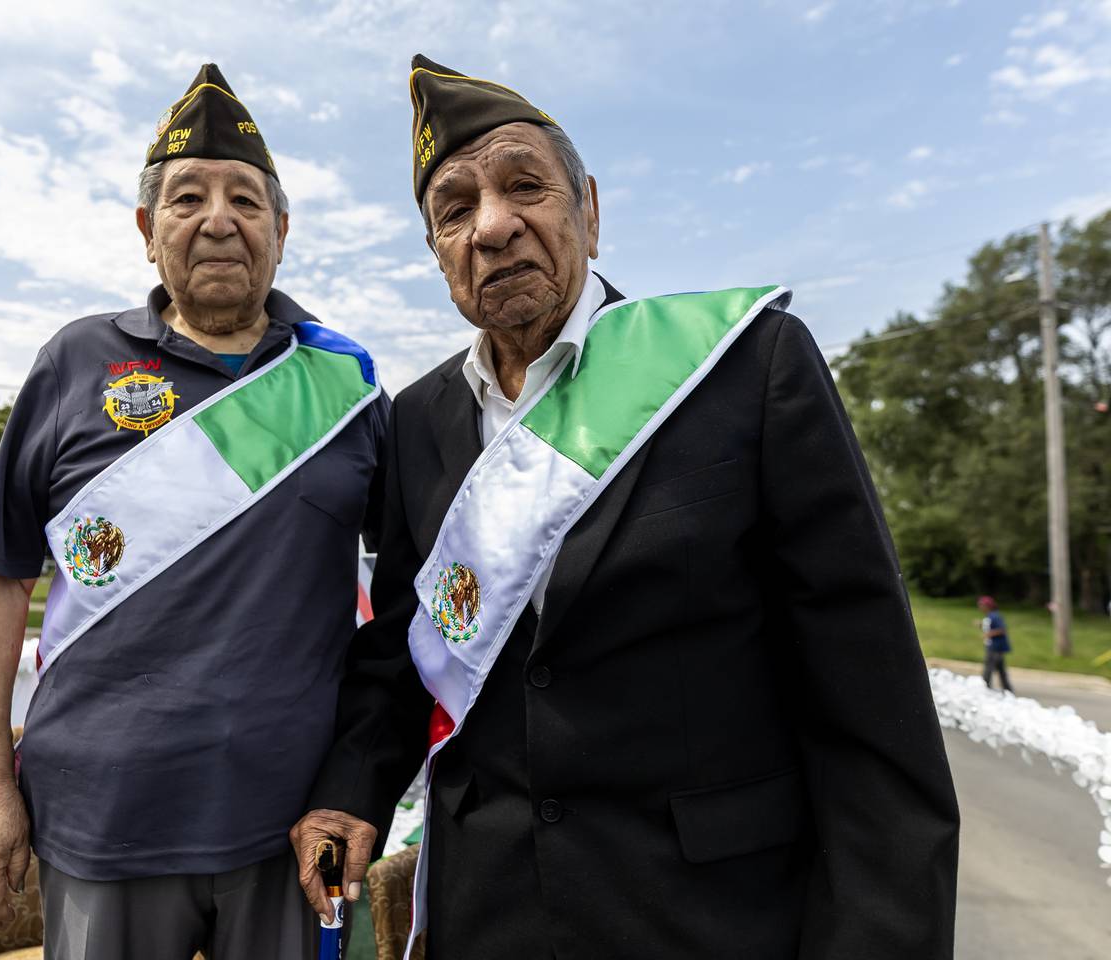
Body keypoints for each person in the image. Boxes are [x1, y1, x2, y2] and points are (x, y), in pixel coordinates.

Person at [291, 55, 960, 959]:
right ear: (439, 253)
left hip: (713, 919)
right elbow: (403, 651)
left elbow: (868, 708)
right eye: (455, 209)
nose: (493, 225)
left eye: (524, 184)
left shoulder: (745, 368)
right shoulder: (415, 425)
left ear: (591, 212)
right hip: (486, 917)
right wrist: (348, 791)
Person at [0, 63, 388, 960]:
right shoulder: (74, 362)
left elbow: (410, 603)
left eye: (247, 201)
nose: (219, 218)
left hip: (299, 828)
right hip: (102, 820)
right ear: (149, 232)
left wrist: (360, 789)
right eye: (188, 197)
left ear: (282, 231)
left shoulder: (346, 389)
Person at [979, 595, 1013, 692]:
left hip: (996, 647)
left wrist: (989, 634)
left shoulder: (995, 616)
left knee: (988, 668)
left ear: (988, 606)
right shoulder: (989, 616)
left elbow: (1002, 630)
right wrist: (980, 625)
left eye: (982, 605)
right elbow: (989, 627)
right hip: (992, 646)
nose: (980, 607)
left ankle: (984, 688)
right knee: (1001, 670)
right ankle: (1008, 689)